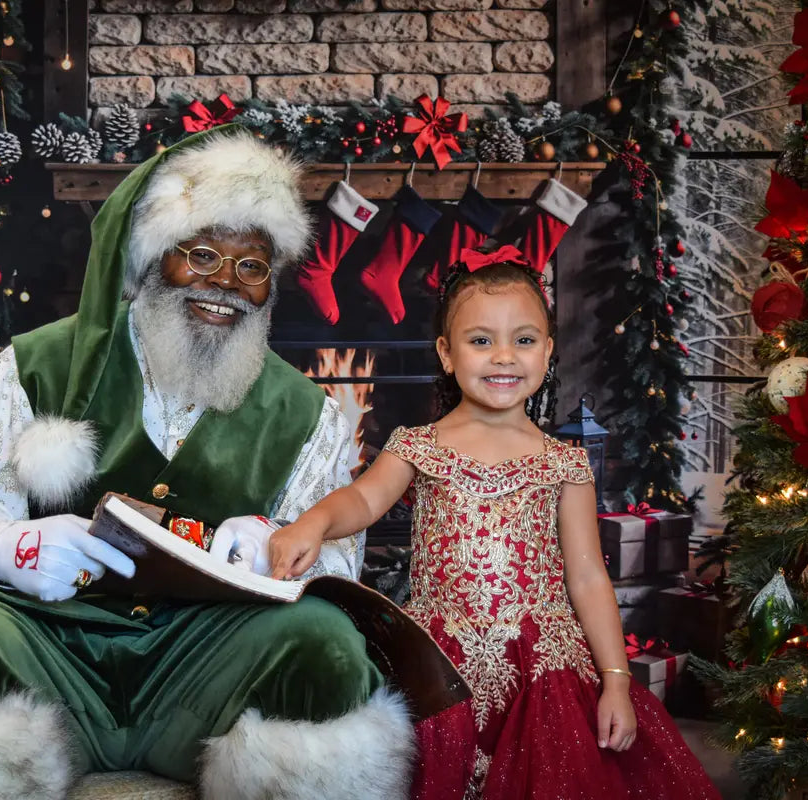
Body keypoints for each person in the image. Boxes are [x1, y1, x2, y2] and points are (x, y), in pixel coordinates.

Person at [0, 128, 417, 800]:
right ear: (153, 258)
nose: (224, 284)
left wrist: (276, 543)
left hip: (207, 673)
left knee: (324, 640)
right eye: (201, 255)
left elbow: (339, 570)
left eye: (251, 267)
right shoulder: (35, 367)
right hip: (52, 661)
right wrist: (2, 549)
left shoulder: (303, 410)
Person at [266, 251, 722, 799]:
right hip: (440, 664)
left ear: (548, 351)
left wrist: (617, 681)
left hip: (543, 671)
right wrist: (313, 522)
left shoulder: (564, 462)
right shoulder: (419, 445)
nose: (504, 356)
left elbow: (587, 579)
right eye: (481, 340)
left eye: (524, 340)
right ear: (446, 353)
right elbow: (363, 501)